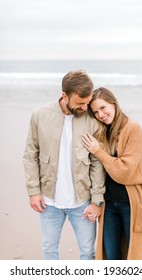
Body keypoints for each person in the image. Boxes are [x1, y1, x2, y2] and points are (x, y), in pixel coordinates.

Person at [23, 71, 105, 260]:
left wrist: (96, 200)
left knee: (88, 252)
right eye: (79, 103)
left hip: (83, 202)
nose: (85, 107)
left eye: (87, 102)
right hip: (49, 202)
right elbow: (30, 155)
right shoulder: (40, 115)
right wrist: (34, 191)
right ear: (64, 95)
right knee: (49, 251)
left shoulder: (92, 120)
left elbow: (96, 162)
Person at [82, 87, 142, 260]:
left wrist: (98, 151)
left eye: (103, 107)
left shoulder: (134, 129)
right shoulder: (101, 131)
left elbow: (124, 172)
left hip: (132, 203)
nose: (100, 114)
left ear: (113, 103)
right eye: (95, 112)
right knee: (111, 257)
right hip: (109, 205)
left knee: (134, 257)